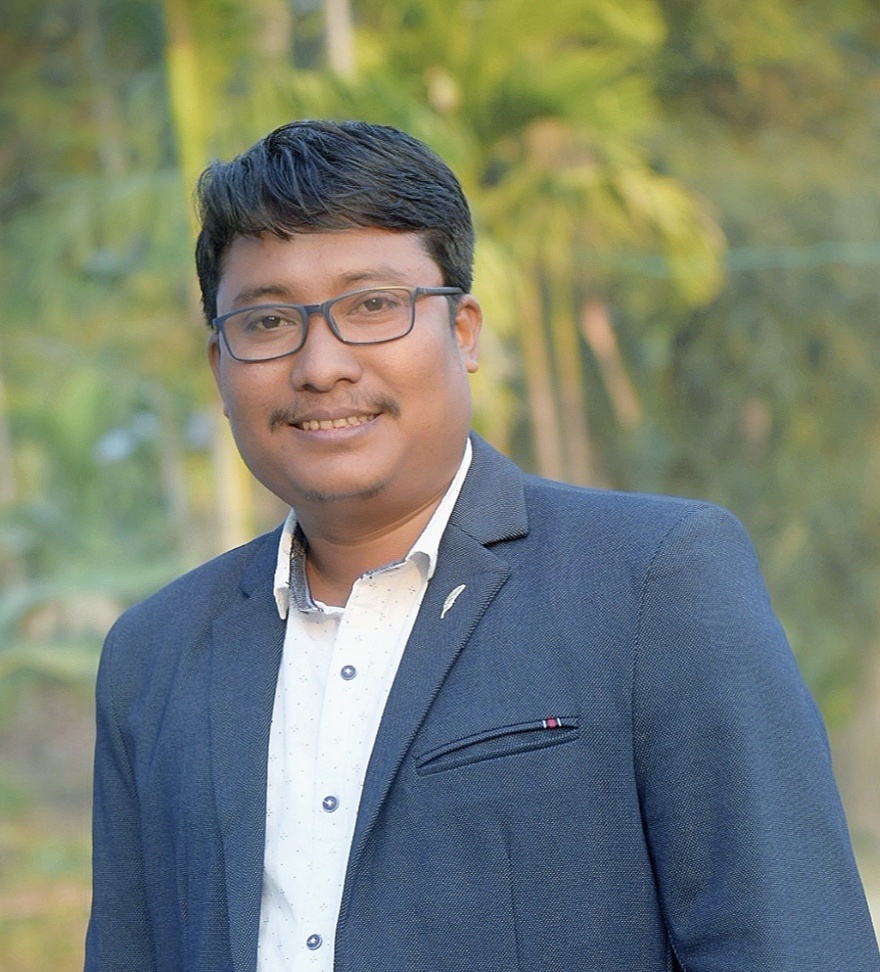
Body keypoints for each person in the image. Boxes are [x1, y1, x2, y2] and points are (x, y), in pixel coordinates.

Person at [85, 119, 880, 972]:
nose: (321, 366)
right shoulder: (154, 656)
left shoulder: (652, 581)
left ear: (464, 332)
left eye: (372, 306)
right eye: (270, 320)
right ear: (220, 364)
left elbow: (791, 944)